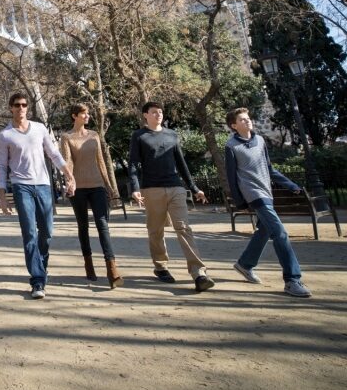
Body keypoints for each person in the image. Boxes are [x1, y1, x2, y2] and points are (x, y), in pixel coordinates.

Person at [225, 108, 313, 298]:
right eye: (242, 119)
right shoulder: (231, 146)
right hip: (254, 194)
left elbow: (269, 168)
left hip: (267, 192)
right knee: (280, 233)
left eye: (248, 118)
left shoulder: (261, 141)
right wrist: (240, 202)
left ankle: (245, 264)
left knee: (264, 231)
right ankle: (292, 280)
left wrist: (290, 185)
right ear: (234, 125)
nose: (248, 121)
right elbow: (231, 177)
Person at [0, 92, 75, 300]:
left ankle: (41, 266)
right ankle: (38, 280)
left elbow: (54, 153)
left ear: (27, 107)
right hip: (22, 186)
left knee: (47, 232)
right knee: (30, 233)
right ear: (10, 108)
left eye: (24, 105)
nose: (21, 108)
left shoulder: (40, 129)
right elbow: (1, 167)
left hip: (42, 184)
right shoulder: (5, 135)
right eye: (17, 105)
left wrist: (69, 174)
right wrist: (2, 196)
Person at [128, 101, 214, 292]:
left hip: (176, 187)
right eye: (154, 112)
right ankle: (161, 266)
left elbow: (181, 163)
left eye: (160, 111)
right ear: (145, 115)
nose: (159, 114)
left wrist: (193, 187)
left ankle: (199, 273)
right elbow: (133, 163)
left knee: (183, 228)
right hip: (152, 189)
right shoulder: (139, 136)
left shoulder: (172, 135)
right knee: (156, 230)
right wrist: (135, 187)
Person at [60, 103, 123, 288]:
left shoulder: (94, 135)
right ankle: (88, 264)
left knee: (103, 225)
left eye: (87, 113)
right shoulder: (66, 137)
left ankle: (112, 269)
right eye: (83, 113)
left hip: (97, 186)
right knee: (83, 225)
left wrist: (109, 186)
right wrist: (70, 182)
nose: (87, 116)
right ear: (74, 116)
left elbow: (101, 162)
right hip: (78, 188)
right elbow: (68, 161)